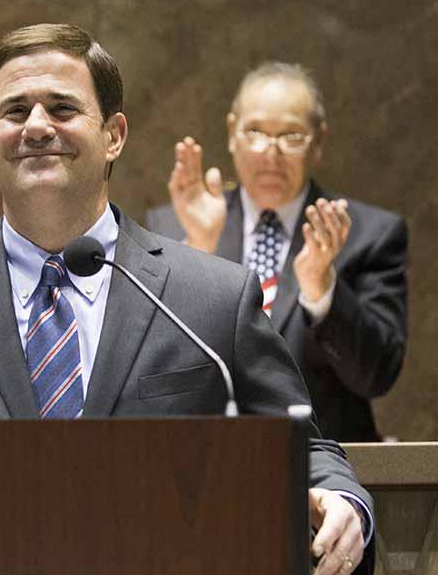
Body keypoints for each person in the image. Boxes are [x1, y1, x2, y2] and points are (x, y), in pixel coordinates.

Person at [0, 25, 372, 575]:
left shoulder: (213, 298)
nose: (37, 126)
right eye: (16, 111)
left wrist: (339, 499)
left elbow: (304, 449)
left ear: (114, 135)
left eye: (62, 108)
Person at [146, 62, 407, 442]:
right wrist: (198, 251)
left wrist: (322, 290)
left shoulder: (367, 234)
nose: (271, 153)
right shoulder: (175, 227)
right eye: (255, 132)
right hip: (209, 457)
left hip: (325, 459)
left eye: (291, 136)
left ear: (318, 141)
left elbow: (377, 376)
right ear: (232, 133)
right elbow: (153, 369)